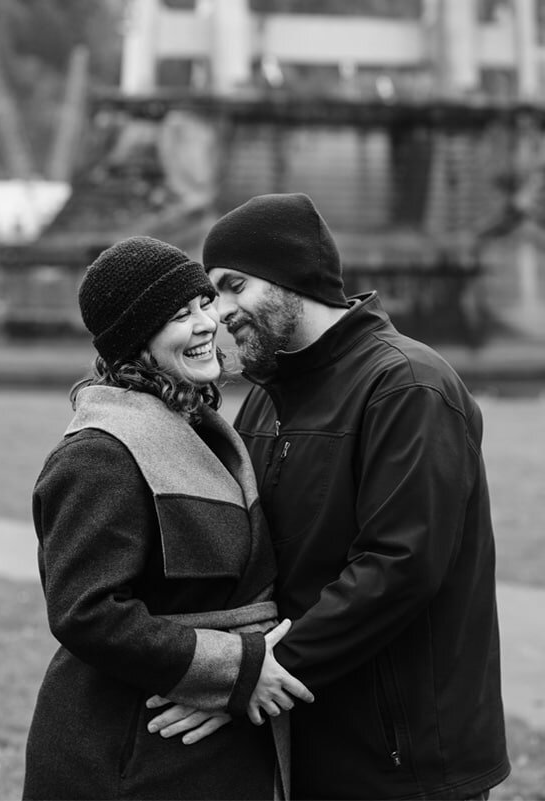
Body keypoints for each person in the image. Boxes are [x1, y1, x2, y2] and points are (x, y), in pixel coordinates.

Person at [188, 192, 509, 799]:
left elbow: (400, 564)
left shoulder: (408, 384)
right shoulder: (264, 398)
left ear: (292, 277)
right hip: (302, 740)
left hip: (405, 757)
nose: (219, 314)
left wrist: (262, 675)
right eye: (211, 295)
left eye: (235, 285)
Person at [23, 236, 313, 800]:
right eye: (179, 316)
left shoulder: (193, 424)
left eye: (203, 303)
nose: (207, 322)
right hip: (129, 753)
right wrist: (237, 668)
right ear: (137, 342)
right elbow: (87, 612)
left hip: (186, 753)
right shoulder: (99, 453)